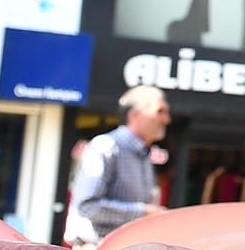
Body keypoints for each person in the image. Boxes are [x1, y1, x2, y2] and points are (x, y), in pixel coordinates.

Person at [68, 85, 172, 237]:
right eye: (160, 111)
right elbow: (86, 206)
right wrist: (143, 212)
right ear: (134, 115)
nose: (167, 119)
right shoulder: (105, 147)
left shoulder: (144, 156)